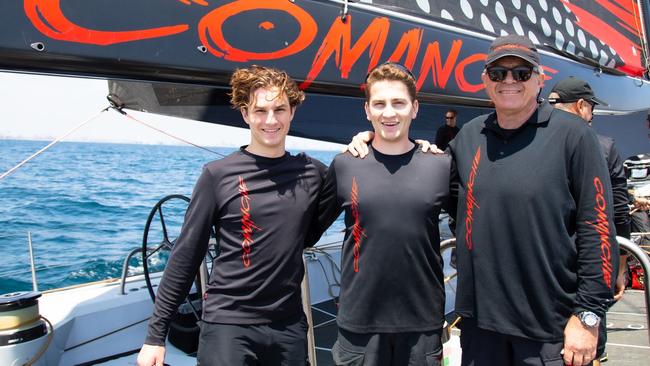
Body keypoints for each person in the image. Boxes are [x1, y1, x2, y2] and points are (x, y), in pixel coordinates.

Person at [136, 66, 327, 366]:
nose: (270, 120)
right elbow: (186, 255)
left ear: (292, 112)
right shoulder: (217, 175)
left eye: (279, 109)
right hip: (228, 326)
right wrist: (155, 336)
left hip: (288, 326)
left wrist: (391, 144)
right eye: (260, 110)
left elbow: (354, 186)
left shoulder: (312, 172)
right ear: (245, 114)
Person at [448, 35, 618, 366]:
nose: (509, 81)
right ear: (485, 81)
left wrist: (588, 315)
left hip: (550, 330)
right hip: (481, 328)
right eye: (498, 73)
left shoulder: (573, 135)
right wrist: (373, 143)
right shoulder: (468, 136)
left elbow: (597, 226)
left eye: (521, 73)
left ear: (539, 79)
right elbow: (443, 195)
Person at [316, 62, 451, 365]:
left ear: (415, 108)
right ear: (367, 111)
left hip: (422, 326)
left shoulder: (440, 165)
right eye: (379, 104)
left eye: (398, 103)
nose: (389, 113)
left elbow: (474, 228)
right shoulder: (346, 164)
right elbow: (307, 229)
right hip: (359, 326)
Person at [548, 76, 630, 362]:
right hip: (590, 263)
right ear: (582, 106)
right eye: (592, 107)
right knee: (590, 345)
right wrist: (620, 264)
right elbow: (618, 209)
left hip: (545, 271)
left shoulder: (530, 142)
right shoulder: (603, 145)